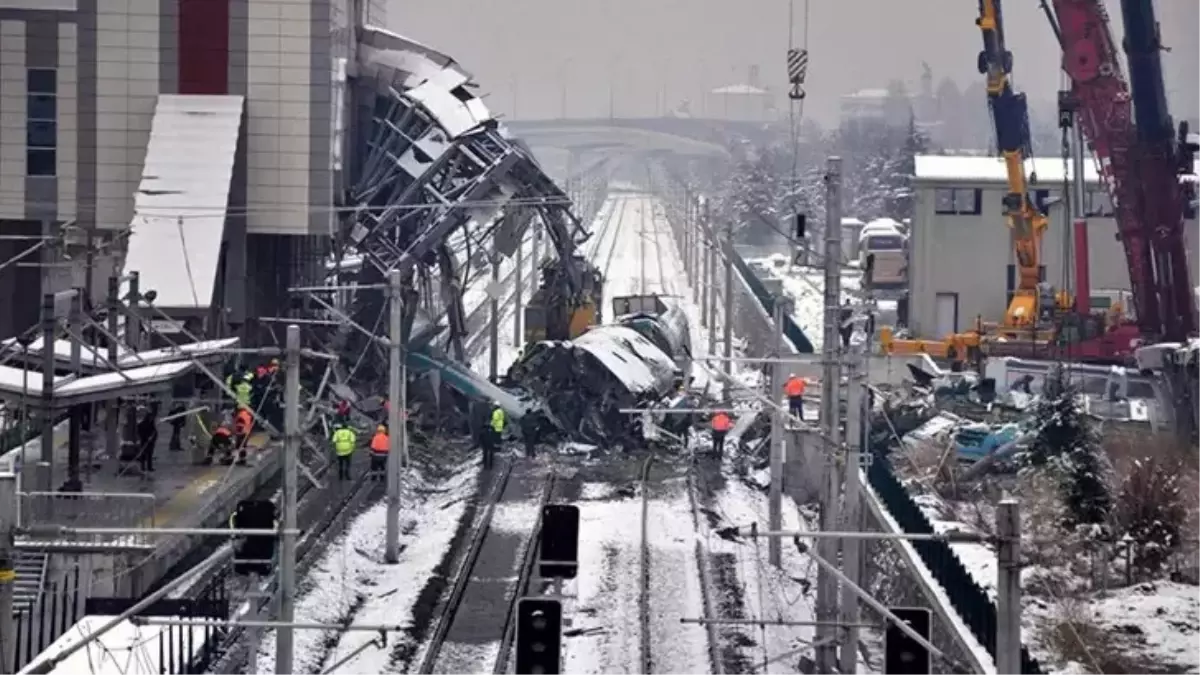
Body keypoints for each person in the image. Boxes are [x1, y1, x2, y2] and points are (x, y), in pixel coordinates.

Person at [136, 408, 158, 473]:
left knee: (150, 455)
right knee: (143, 454)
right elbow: (140, 432)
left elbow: (155, 432)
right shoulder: (142, 424)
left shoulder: (152, 425)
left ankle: (149, 467)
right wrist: (146, 438)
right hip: (144, 441)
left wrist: (152, 439)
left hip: (150, 443)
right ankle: (142, 467)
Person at [484, 404, 505, 469]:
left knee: (486, 452)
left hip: (495, 428)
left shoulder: (495, 413)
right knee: (498, 439)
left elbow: (494, 419)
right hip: (499, 427)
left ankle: (486, 465)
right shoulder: (501, 412)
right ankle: (490, 465)